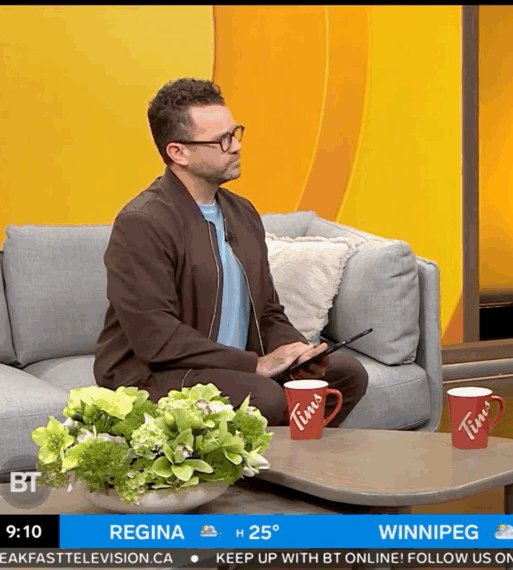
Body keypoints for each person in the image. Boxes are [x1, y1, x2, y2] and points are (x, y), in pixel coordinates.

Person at [94, 78, 368, 427]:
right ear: (178, 152)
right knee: (264, 398)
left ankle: (298, 469)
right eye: (222, 140)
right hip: (156, 374)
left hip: (233, 369)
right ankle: (273, 471)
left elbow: (267, 311)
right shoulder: (141, 223)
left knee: (345, 374)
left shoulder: (242, 212)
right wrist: (255, 364)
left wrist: (298, 350)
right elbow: (156, 338)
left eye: (235, 133)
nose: (236, 146)